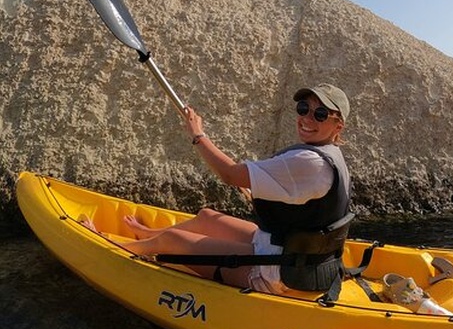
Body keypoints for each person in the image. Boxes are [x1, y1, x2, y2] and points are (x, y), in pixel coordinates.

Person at [90, 83, 353, 294]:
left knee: (174, 242)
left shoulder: (309, 161)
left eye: (320, 114)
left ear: (337, 125)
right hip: (291, 253)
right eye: (304, 108)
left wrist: (198, 135)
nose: (307, 118)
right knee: (207, 217)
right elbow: (304, 205)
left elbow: (229, 174)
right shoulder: (331, 155)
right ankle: (149, 234)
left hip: (277, 271)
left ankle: (114, 246)